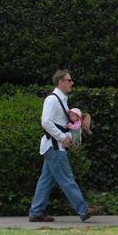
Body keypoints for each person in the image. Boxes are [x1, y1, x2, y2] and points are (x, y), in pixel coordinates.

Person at [29, 69, 98, 222]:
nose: (72, 83)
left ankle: (36, 212)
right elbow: (45, 122)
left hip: (52, 147)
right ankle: (83, 209)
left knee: (46, 181)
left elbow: (62, 123)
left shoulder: (61, 99)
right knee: (67, 178)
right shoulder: (52, 100)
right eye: (69, 80)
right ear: (60, 82)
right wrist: (62, 137)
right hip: (55, 147)